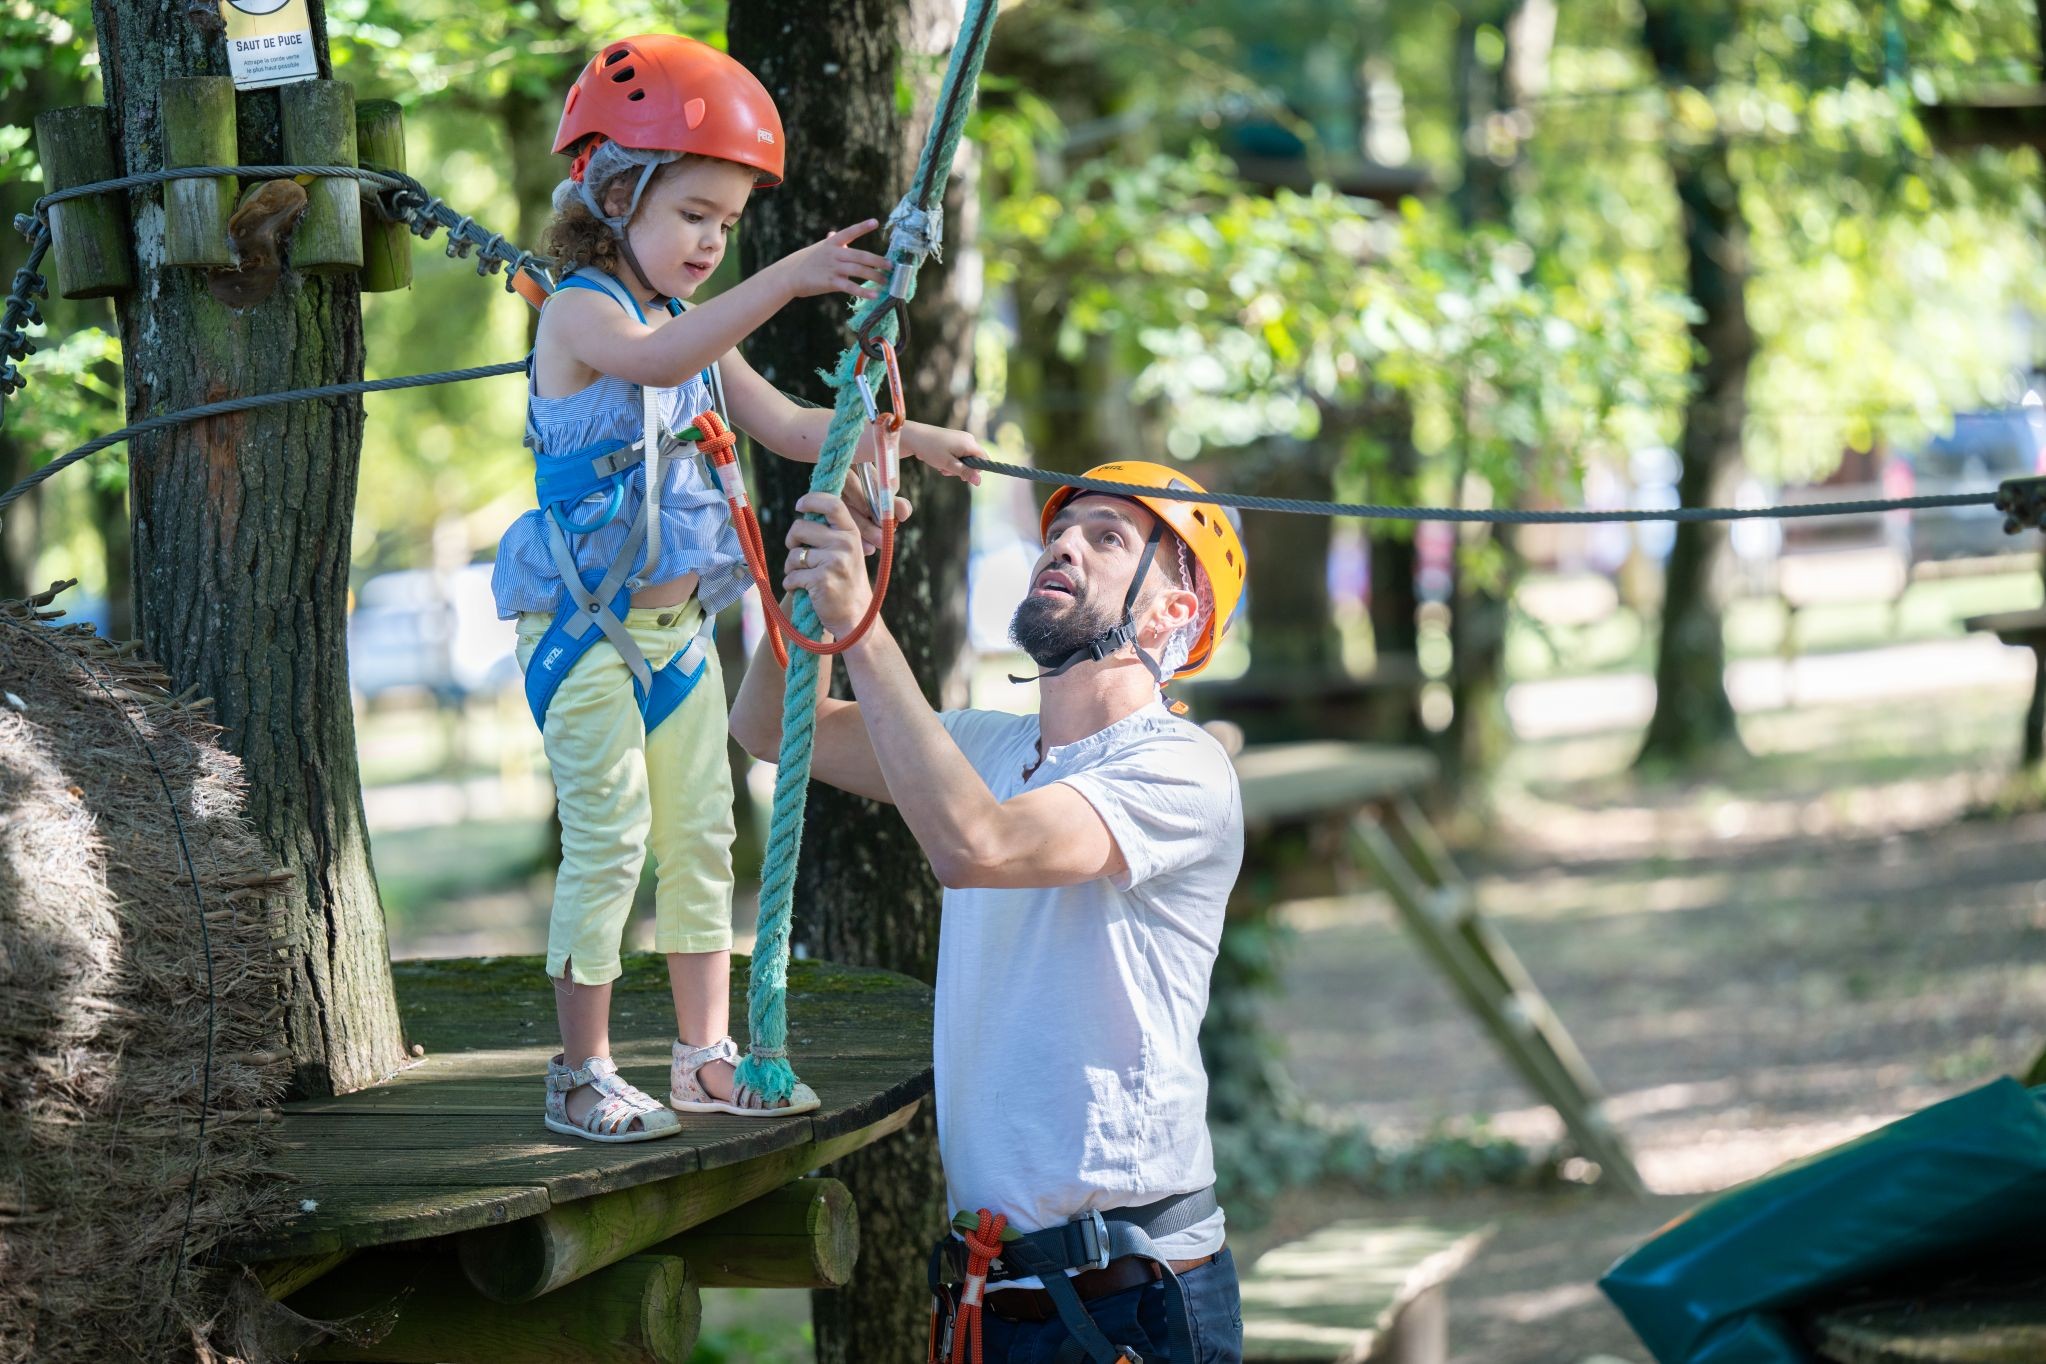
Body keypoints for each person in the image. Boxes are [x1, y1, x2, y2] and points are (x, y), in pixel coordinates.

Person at [494, 33, 983, 1143]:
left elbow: (799, 426)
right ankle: (578, 1072)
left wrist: (920, 437)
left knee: (705, 834)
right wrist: (795, 275)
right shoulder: (582, 313)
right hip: (584, 629)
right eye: (693, 215)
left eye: (728, 222)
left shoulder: (684, 326)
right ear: (614, 191)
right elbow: (660, 369)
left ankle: (705, 1055)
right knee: (612, 835)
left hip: (675, 635)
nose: (714, 242)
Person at [732, 461, 1250, 1362]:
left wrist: (862, 621)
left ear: (1177, 613)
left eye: (1109, 537)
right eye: (1063, 528)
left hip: (1132, 1299)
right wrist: (818, 574)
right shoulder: (987, 746)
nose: (1065, 543)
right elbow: (773, 726)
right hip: (994, 1293)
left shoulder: (1183, 769)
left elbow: (980, 848)